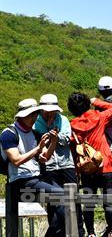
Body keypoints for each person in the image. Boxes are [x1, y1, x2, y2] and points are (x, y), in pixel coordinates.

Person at [1, 98, 65, 237]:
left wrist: (53, 141)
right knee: (63, 195)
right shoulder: (9, 134)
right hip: (20, 180)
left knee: (66, 196)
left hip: (37, 177)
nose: (34, 118)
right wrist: (37, 149)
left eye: (35, 114)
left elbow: (45, 157)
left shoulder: (35, 133)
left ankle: (54, 233)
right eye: (31, 115)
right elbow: (16, 160)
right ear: (22, 116)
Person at [68, 92, 112, 237]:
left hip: (86, 168)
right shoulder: (99, 117)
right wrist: (96, 101)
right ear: (87, 104)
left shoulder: (72, 125)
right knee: (109, 202)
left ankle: (91, 233)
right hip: (104, 165)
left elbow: (73, 149)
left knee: (88, 203)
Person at [33, 94, 84, 236]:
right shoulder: (36, 122)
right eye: (47, 111)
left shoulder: (63, 120)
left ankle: (79, 230)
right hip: (48, 166)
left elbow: (67, 139)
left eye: (52, 110)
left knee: (74, 197)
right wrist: (50, 133)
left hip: (66, 164)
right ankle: (56, 231)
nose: (50, 113)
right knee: (54, 200)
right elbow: (39, 142)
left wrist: (54, 134)